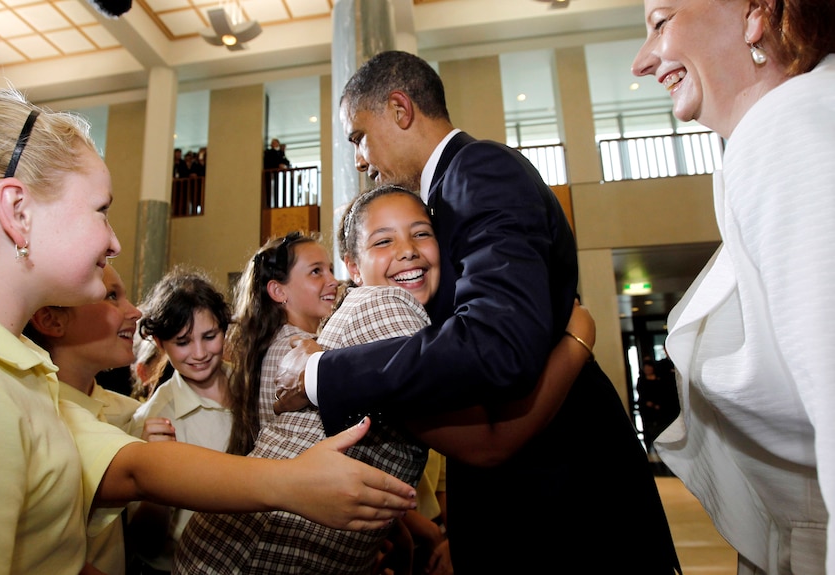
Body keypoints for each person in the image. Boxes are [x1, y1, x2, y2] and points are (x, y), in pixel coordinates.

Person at [0, 85, 418, 575]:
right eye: (100, 210)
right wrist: (291, 482)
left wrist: (292, 481)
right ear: (17, 211)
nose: (116, 240)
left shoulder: (23, 371)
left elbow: (134, 468)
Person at [274, 52, 681, 573]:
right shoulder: (444, 193)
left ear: (400, 110)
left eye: (358, 136)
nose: (359, 157)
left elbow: (497, 344)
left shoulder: (478, 170)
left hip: (561, 493)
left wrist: (322, 371)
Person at [176, 186, 596, 574]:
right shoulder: (392, 305)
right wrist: (578, 337)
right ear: (355, 269)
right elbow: (490, 442)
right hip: (251, 557)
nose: (408, 251)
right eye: (383, 241)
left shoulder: (376, 314)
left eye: (421, 234)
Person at [631, 0, 835, 572]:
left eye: (661, 22)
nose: (643, 61)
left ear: (756, 12)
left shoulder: (787, 128)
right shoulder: (776, 133)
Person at [23, 263, 143, 575]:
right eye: (112, 296)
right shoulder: (42, 417)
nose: (135, 312)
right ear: (51, 319)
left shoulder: (125, 411)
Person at [126, 268, 236, 572]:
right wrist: (157, 481)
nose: (199, 353)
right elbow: (143, 540)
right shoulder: (154, 419)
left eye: (210, 336)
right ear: (160, 344)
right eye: (183, 342)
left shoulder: (251, 386)